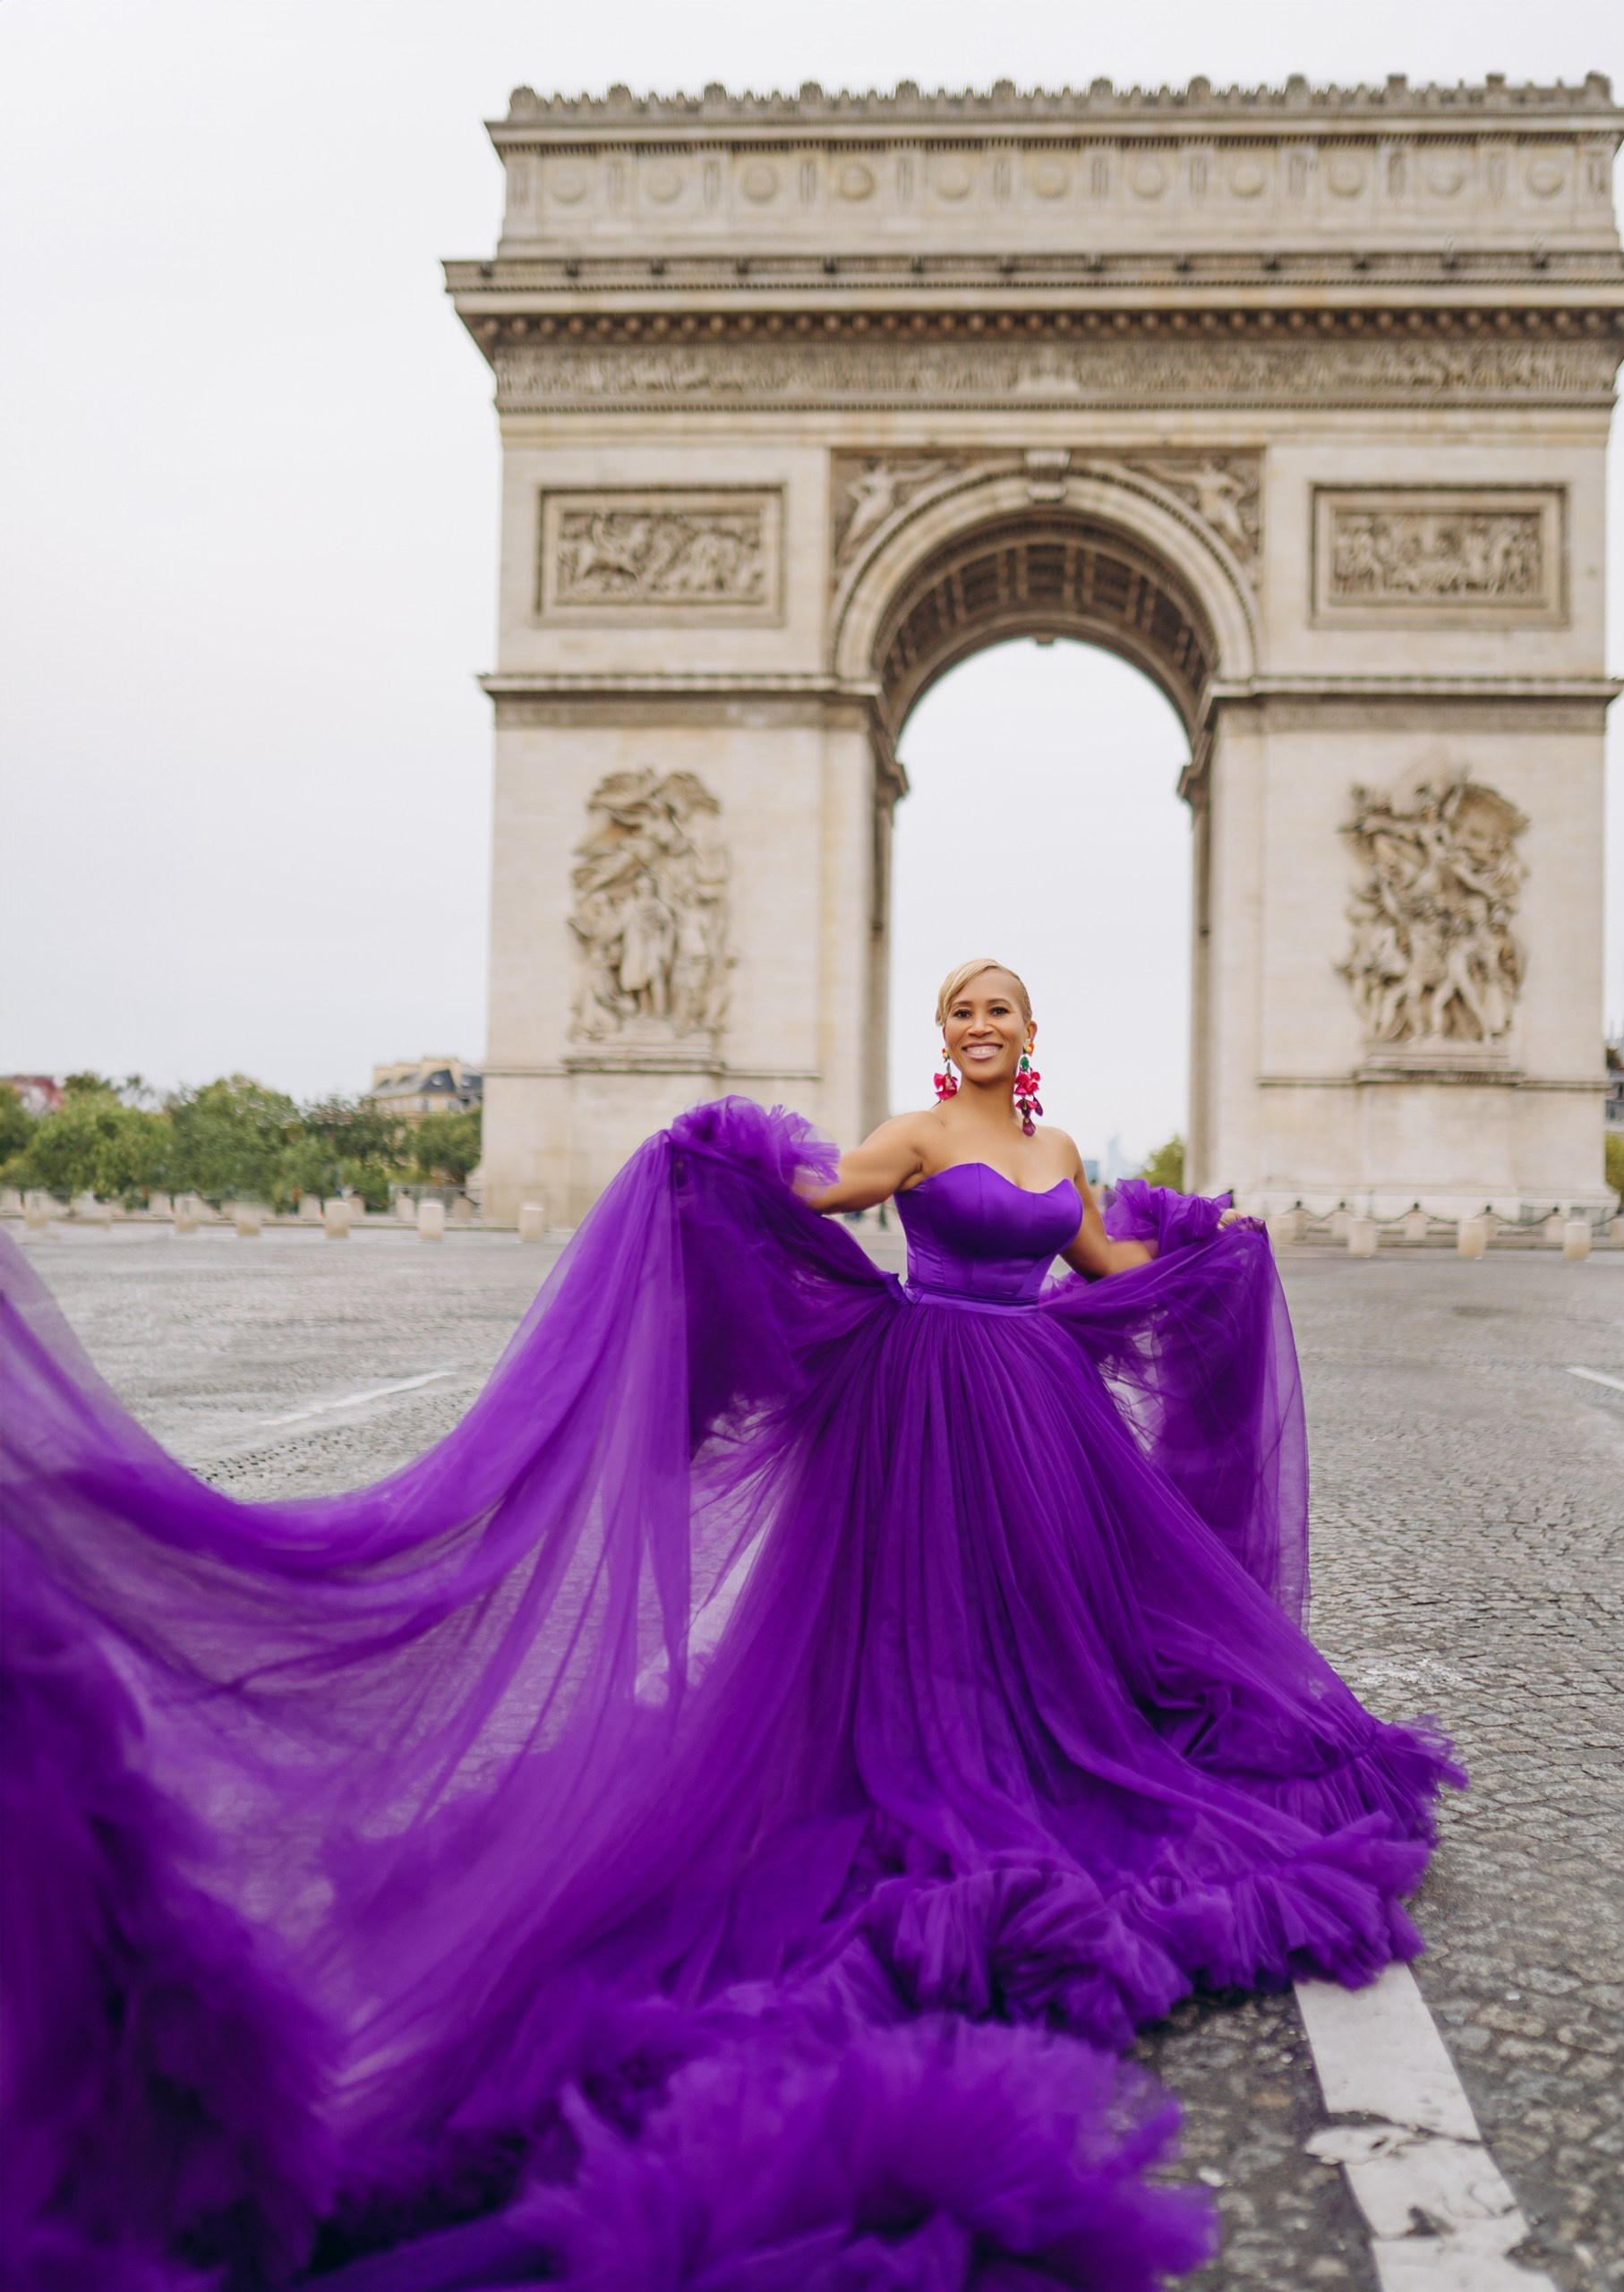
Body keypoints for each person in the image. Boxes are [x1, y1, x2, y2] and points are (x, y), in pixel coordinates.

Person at [0, 959, 1461, 2291]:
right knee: (925, 1625)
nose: (979, 1026)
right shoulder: (913, 1135)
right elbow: (821, 1198)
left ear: (1031, 1034)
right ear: (944, 1035)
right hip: (928, 1404)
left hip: (1040, 1415)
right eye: (961, 1010)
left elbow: (1104, 1269)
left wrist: (1219, 1249)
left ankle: (1023, 1749)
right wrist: (714, 1167)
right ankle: (945, 1757)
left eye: (999, 1010)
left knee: (1047, 1629)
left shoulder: (1061, 1153)